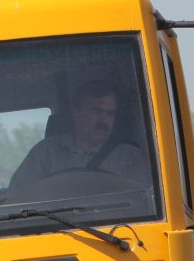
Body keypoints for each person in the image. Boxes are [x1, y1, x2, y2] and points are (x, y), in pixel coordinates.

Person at [9, 78, 151, 190]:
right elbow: (18, 198)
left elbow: (144, 204)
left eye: (109, 114)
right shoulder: (45, 153)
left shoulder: (131, 157)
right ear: (76, 114)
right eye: (96, 111)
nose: (104, 120)